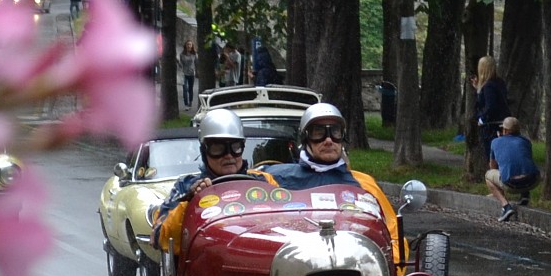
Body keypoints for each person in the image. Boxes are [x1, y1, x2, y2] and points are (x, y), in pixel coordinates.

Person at [264, 103, 404, 253]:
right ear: (305, 138)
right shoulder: (276, 179)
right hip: (296, 262)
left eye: (335, 132)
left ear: (342, 137)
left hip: (353, 263)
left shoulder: (365, 184)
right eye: (319, 132)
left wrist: (387, 270)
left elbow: (393, 235)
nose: (328, 140)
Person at [155, 108, 251, 252]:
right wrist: (191, 201)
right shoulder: (185, 187)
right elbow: (160, 236)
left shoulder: (262, 182)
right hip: (204, 260)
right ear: (204, 152)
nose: (229, 156)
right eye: (218, 149)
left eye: (235, 147)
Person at [486, 116, 540, 222]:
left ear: (505, 130)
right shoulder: (526, 141)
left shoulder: (495, 142)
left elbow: (492, 166)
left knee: (488, 175)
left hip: (511, 184)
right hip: (534, 180)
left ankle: (505, 206)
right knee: (523, 165)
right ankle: (525, 195)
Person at [469, 56, 508, 181]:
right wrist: (478, 89)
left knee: (492, 157)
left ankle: (496, 186)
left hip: (491, 126)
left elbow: (490, 106)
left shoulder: (489, 86)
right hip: (502, 123)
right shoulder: (499, 83)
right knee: (499, 156)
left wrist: (482, 119)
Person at [178, 36, 198, 108]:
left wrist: (197, 72)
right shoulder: (182, 54)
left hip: (192, 73)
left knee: (190, 89)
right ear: (185, 46)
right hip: (184, 73)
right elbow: (181, 64)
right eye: (187, 44)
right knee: (185, 89)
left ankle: (190, 102)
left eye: (190, 44)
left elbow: (196, 63)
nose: (189, 46)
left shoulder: (194, 54)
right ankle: (186, 104)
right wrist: (178, 62)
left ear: (192, 46)